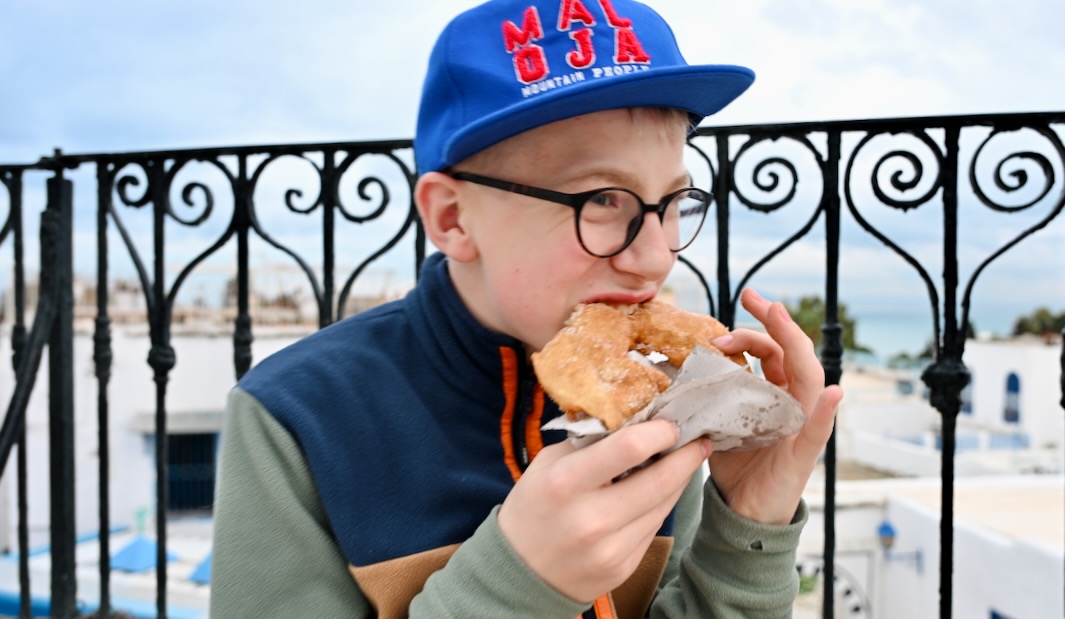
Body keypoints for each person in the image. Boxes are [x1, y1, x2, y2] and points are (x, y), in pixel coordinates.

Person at [209, 0, 843, 617]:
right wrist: (517, 587)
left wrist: (748, 527)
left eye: (674, 202)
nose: (654, 257)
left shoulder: (659, 397)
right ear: (454, 218)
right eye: (601, 200)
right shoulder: (296, 419)